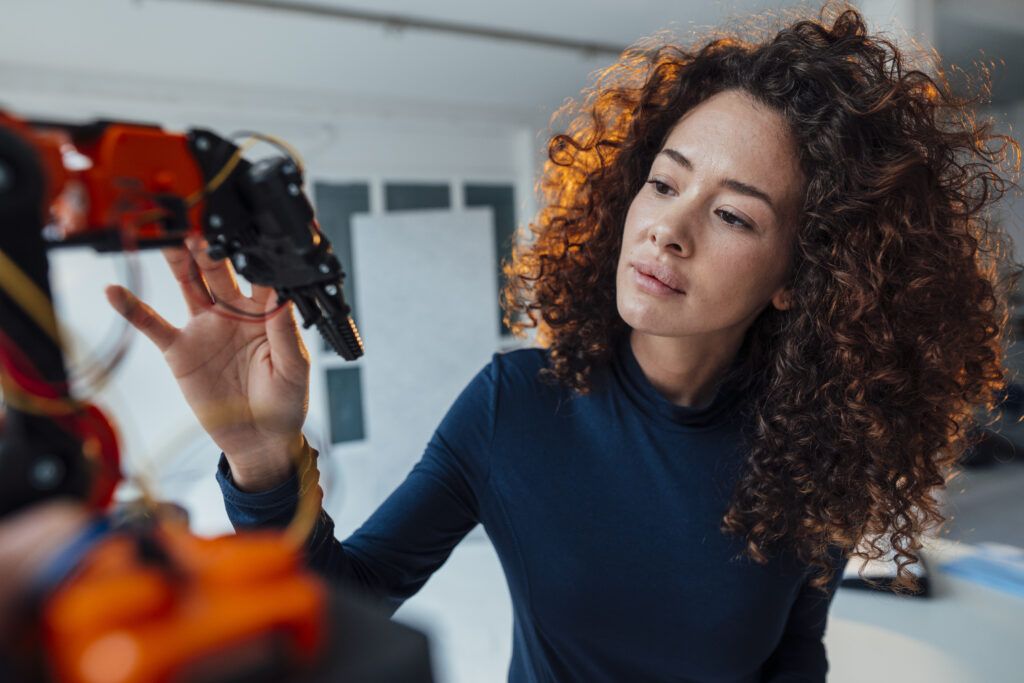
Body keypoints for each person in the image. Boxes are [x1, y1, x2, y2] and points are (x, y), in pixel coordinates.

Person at [105, 3, 1020, 681]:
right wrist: (263, 462)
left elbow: (793, 653)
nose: (669, 229)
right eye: (665, 184)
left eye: (734, 214)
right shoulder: (514, 407)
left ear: (800, 275)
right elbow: (351, 595)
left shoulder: (820, 451)